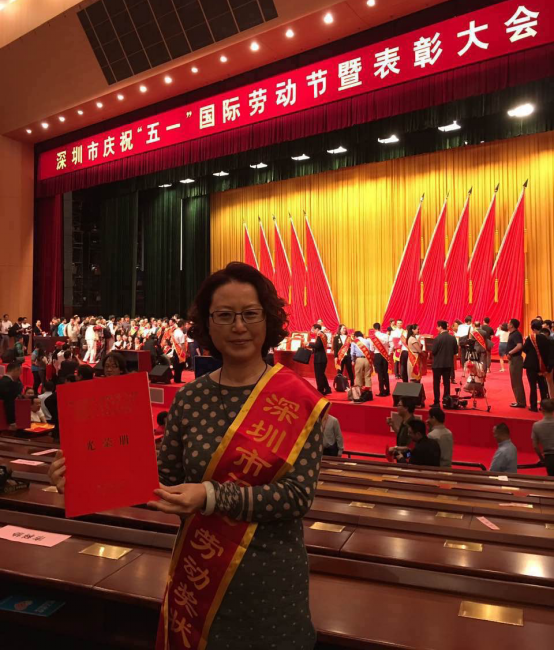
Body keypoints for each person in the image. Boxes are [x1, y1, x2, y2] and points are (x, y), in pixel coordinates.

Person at [48, 261, 328, 650]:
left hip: (270, 579)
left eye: (250, 314)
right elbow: (158, 480)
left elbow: (297, 497)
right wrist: (85, 479)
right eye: (224, 315)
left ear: (268, 320)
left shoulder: (298, 399)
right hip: (200, 575)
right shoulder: (191, 398)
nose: (239, 327)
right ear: (207, 324)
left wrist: (211, 496)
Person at [523, 319, 550, 412]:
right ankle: (544, 406)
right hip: (542, 365)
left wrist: (531, 353)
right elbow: (547, 352)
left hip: (531, 365)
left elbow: (524, 349)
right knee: (543, 387)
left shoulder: (530, 338)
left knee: (533, 387)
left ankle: (533, 406)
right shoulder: (545, 338)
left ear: (533, 329)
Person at [431, 321, 458, 407]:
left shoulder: (437, 338)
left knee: (436, 383)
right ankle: (446, 401)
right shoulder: (452, 338)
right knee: (447, 383)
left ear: (440, 327)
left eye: (437, 327)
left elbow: (433, 351)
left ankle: (436, 402)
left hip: (437, 364)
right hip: (448, 364)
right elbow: (455, 351)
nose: (437, 328)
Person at [368, 323, 392, 397]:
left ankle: (382, 391)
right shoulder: (386, 335)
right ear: (380, 327)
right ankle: (387, 391)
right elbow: (391, 345)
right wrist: (388, 352)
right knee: (385, 373)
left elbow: (371, 349)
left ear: (374, 328)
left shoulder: (372, 337)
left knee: (380, 374)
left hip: (377, 355)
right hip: (385, 355)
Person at [506, 318, 526, 408]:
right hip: (514, 359)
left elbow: (519, 346)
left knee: (517, 381)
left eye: (509, 323)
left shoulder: (516, 334)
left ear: (512, 325)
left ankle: (521, 402)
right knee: (515, 381)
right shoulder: (513, 334)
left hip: (516, 359)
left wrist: (510, 352)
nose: (507, 324)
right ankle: (519, 401)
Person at [532, 399, 554, 476]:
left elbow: (535, 446)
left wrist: (542, 459)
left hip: (549, 458)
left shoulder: (536, 425)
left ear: (542, 409)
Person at [309, 323, 332, 395]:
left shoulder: (320, 335)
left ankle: (320, 390)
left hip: (320, 358)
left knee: (319, 375)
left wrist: (308, 344)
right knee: (321, 374)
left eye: (313, 329)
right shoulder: (322, 335)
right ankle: (327, 388)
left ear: (317, 329)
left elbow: (317, 345)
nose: (312, 330)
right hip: (322, 357)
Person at [406, 323, 426, 405]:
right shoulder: (412, 339)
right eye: (417, 329)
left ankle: (418, 399)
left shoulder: (413, 338)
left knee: (416, 379)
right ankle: (414, 399)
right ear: (413, 330)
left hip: (414, 358)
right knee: (414, 379)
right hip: (414, 359)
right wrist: (424, 354)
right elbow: (419, 350)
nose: (418, 330)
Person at [350, 330, 373, 398]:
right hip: (367, 359)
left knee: (358, 376)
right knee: (367, 376)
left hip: (359, 359)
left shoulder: (354, 342)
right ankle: (369, 393)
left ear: (355, 336)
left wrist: (353, 360)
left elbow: (352, 353)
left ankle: (359, 393)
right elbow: (371, 351)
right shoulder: (367, 341)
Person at [0, 363, 22, 429]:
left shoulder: (2, 381)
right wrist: (12, 422)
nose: (20, 374)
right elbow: (9, 403)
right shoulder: (10, 383)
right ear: (16, 370)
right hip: (4, 418)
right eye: (20, 372)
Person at [172, 319, 187, 384]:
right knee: (180, 366)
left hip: (175, 350)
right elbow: (182, 344)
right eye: (184, 325)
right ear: (182, 325)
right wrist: (185, 352)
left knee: (176, 366)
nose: (185, 326)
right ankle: (178, 379)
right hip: (180, 352)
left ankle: (176, 379)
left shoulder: (175, 331)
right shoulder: (181, 333)